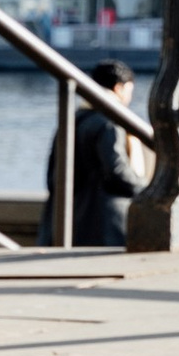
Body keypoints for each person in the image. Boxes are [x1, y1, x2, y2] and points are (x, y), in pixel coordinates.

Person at [68, 62, 142, 248]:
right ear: (119, 88)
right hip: (106, 221)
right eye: (129, 91)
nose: (129, 97)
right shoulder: (110, 122)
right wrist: (147, 190)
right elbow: (117, 170)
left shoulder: (75, 118)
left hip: (73, 216)